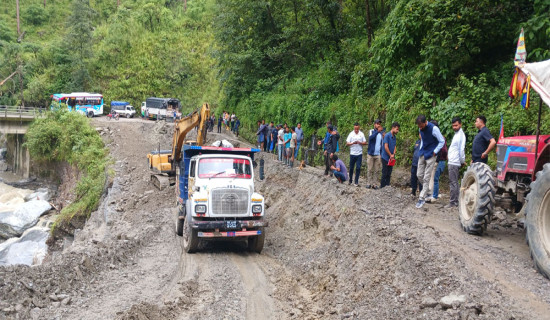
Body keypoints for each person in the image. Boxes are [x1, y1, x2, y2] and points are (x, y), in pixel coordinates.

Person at [415, 115, 446, 209]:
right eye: (418, 126)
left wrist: (435, 151)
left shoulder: (434, 129)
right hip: (423, 153)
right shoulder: (420, 129)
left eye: (421, 126)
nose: (420, 128)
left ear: (425, 122)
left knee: (427, 177)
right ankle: (428, 192)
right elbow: (423, 141)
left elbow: (441, 141)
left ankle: (421, 198)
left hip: (431, 154)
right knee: (419, 174)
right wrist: (420, 150)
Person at [445, 117, 466, 209]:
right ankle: (455, 201)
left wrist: (462, 161)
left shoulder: (461, 135)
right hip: (453, 161)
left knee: (453, 182)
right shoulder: (457, 134)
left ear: (460, 124)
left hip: (454, 162)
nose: (454, 127)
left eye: (456, 125)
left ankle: (453, 202)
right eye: (453, 125)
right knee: (455, 182)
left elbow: (461, 150)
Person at [430, 121, 448, 202]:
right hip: (439, 160)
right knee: (433, 178)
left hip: (440, 160)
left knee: (435, 179)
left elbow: (443, 151)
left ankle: (434, 196)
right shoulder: (439, 137)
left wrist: (438, 158)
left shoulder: (440, 138)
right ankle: (433, 194)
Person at [380, 122, 399, 188]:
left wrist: (393, 154)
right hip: (385, 157)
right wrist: (390, 155)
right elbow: (386, 147)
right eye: (397, 129)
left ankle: (387, 187)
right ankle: (382, 187)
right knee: (384, 173)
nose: (397, 131)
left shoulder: (394, 137)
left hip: (391, 158)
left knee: (389, 173)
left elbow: (395, 146)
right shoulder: (387, 135)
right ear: (393, 128)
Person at [366, 120, 384, 189]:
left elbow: (381, 144)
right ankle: (368, 183)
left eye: (379, 124)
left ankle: (375, 184)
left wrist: (381, 153)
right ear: (374, 125)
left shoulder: (381, 133)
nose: (378, 125)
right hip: (370, 154)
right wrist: (377, 131)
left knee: (377, 170)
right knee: (370, 169)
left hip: (378, 154)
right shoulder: (372, 131)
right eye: (377, 124)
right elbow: (371, 138)